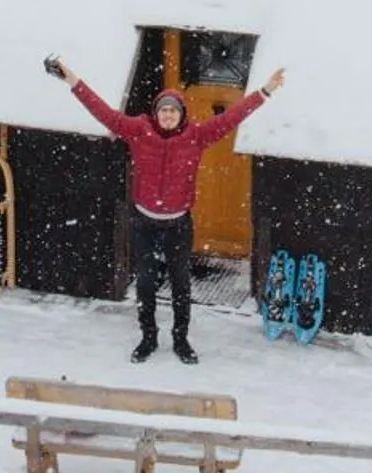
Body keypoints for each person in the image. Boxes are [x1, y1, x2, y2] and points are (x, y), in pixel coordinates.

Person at [50, 56, 285, 363]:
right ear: (156, 113)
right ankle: (148, 337)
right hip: (144, 222)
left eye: (174, 110)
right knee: (146, 283)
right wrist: (72, 81)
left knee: (180, 284)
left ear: (181, 114)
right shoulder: (137, 130)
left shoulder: (196, 136)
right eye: (164, 110)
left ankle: (181, 340)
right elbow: (104, 113)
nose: (169, 115)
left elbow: (231, 118)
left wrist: (264, 91)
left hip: (178, 224)